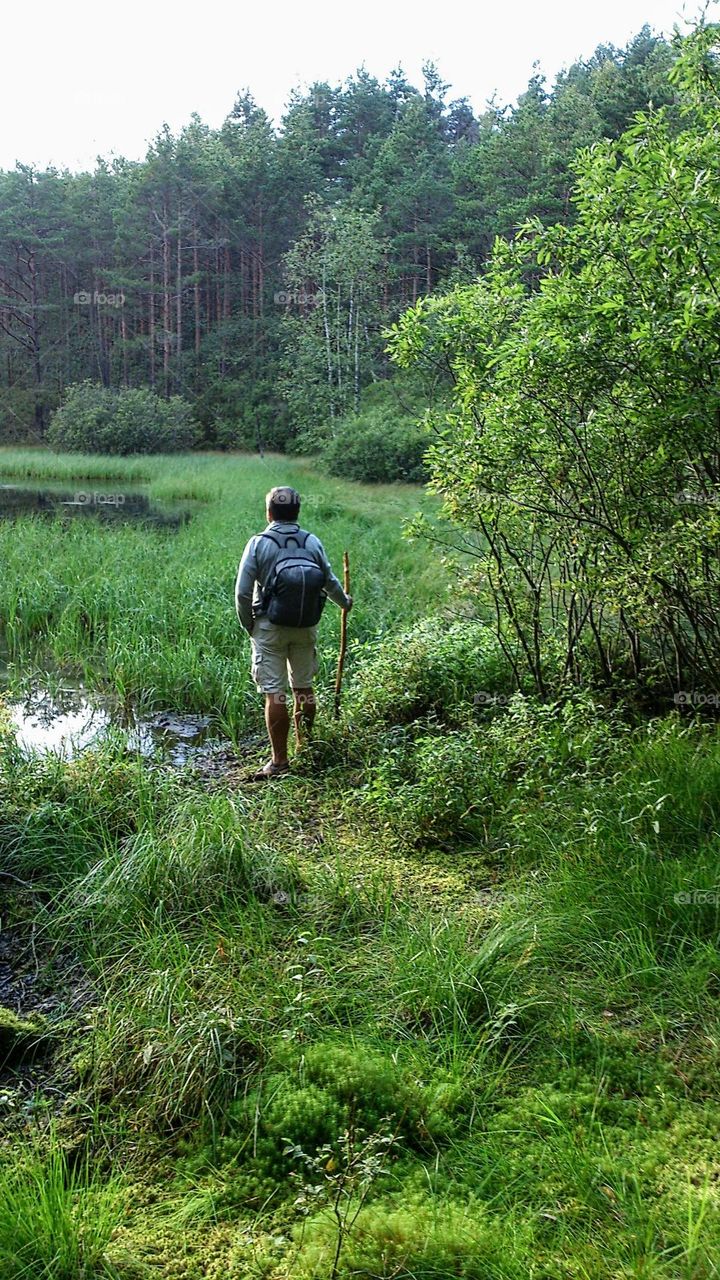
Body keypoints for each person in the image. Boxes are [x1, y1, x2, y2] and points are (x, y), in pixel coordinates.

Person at [235, 486, 352, 780]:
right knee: (303, 688)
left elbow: (242, 592)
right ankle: (307, 748)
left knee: (275, 695)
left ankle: (279, 762)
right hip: (305, 626)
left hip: (269, 628)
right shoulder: (312, 541)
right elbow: (329, 581)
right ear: (297, 511)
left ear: (269, 513)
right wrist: (345, 603)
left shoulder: (258, 543)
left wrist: (249, 625)